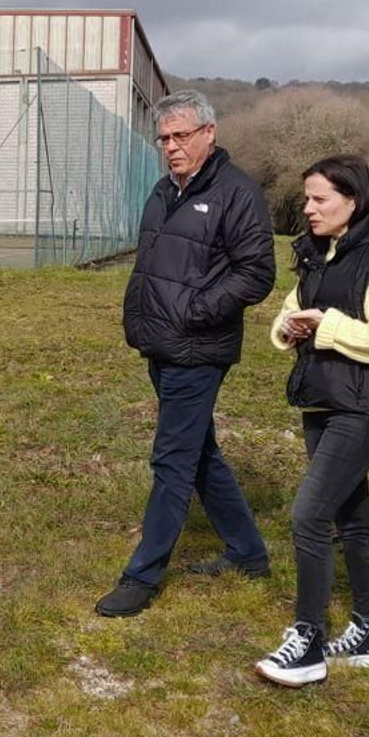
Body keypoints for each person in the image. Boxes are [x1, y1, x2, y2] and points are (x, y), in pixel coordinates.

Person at [96, 89, 276, 617]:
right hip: (160, 342)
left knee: (172, 458)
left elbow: (257, 273)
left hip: (198, 348)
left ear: (209, 134)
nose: (171, 147)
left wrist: (195, 311)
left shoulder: (236, 193)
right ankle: (247, 553)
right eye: (164, 138)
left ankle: (142, 576)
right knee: (199, 453)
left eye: (182, 136)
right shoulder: (162, 191)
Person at [254, 154, 369, 687]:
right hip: (324, 402)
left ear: (353, 201)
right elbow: (286, 314)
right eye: (306, 198)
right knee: (351, 516)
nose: (307, 208)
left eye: (319, 199)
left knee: (309, 515)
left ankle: (307, 642)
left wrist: (324, 327)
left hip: (365, 408)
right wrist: (292, 328)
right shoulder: (317, 255)